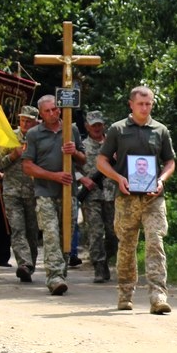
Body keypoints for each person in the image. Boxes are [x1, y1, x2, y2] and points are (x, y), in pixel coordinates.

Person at [96, 86, 176, 314]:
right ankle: (125, 294)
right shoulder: (117, 130)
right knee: (127, 246)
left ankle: (158, 296)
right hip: (127, 198)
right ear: (131, 104)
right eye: (140, 103)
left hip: (154, 198)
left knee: (155, 243)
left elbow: (170, 161)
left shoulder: (160, 130)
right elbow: (101, 161)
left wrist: (161, 180)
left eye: (148, 103)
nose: (145, 107)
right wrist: (118, 178)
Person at [22, 94, 84, 296]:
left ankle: (61, 273)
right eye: (47, 111)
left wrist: (74, 152)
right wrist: (53, 176)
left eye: (55, 109)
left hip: (69, 193)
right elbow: (28, 166)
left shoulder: (71, 129)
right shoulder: (34, 134)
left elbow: (83, 160)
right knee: (50, 234)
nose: (52, 113)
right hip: (45, 192)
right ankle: (54, 277)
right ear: (40, 113)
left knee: (65, 234)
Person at [0, 105, 40, 282]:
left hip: (34, 192)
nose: (25, 123)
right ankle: (24, 263)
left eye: (29, 120)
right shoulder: (9, 138)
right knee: (17, 228)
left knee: (32, 232)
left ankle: (30, 266)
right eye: (22, 120)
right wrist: (13, 156)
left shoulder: (40, 137)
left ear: (36, 121)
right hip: (12, 192)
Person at [79, 111, 117, 283]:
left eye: (99, 125)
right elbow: (70, 166)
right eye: (93, 125)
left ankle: (107, 258)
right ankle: (99, 267)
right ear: (87, 126)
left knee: (113, 233)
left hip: (112, 194)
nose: (96, 128)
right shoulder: (81, 146)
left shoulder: (113, 144)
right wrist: (82, 178)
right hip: (92, 195)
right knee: (95, 232)